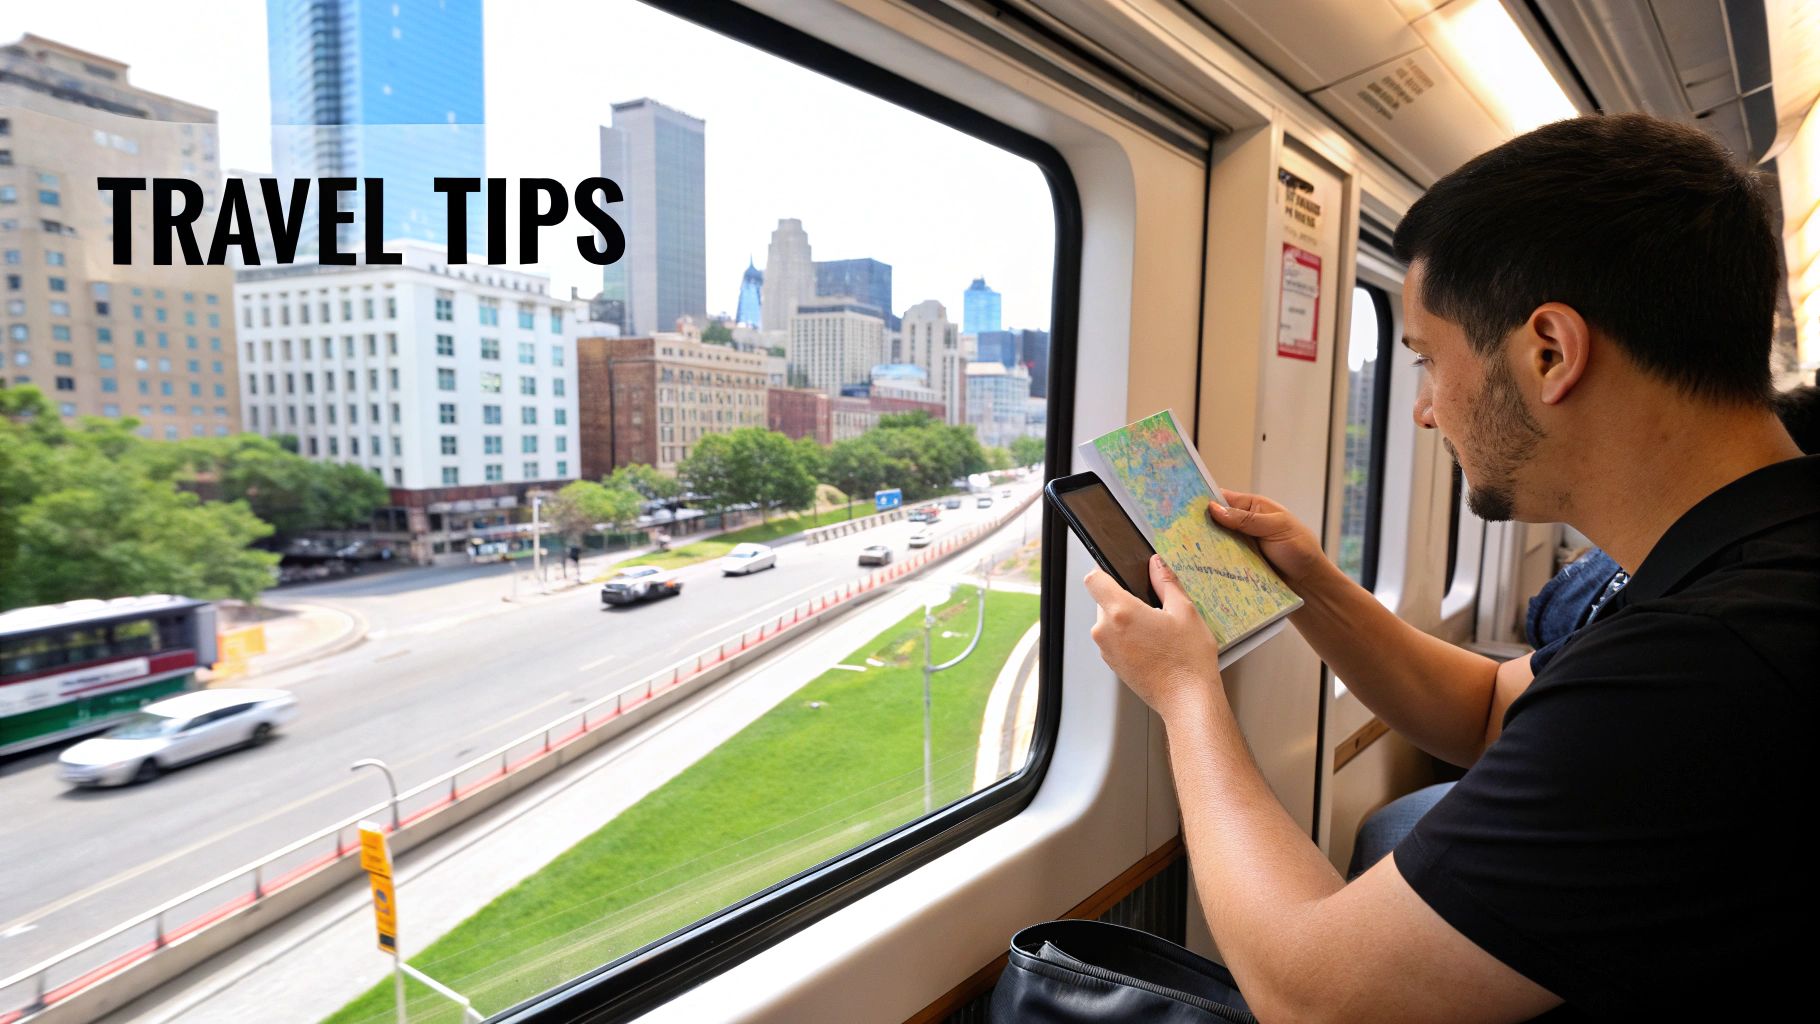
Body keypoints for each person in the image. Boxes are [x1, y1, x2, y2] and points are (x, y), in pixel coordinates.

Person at [1083, 113, 1814, 1021]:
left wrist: (1186, 694)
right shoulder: (1758, 550)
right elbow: (1488, 709)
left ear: (1550, 352)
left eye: (1429, 361)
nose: (1424, 411)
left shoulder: (1705, 671)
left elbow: (1311, 998)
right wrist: (1310, 584)